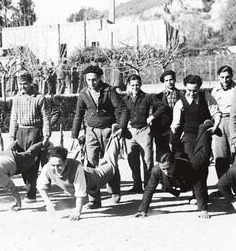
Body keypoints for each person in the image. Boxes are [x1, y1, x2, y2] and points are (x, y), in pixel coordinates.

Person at [71, 65, 129, 208]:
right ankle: (94, 200)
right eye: (88, 80)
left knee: (110, 161)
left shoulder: (109, 90)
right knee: (90, 164)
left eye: (94, 80)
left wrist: (121, 127)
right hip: (91, 131)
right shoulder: (83, 93)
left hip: (109, 130)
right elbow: (78, 114)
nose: (91, 83)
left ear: (100, 79)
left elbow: (123, 109)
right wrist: (74, 135)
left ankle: (115, 190)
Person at [37, 125, 121, 221]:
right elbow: (40, 187)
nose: (56, 168)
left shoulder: (77, 168)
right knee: (104, 162)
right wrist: (49, 204)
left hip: (94, 177)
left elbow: (80, 193)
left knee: (110, 163)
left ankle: (115, 136)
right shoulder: (48, 167)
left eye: (59, 165)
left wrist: (77, 213)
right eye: (53, 165)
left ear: (66, 162)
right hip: (78, 183)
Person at [135, 120, 215, 219]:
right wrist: (142, 210)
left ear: (173, 164)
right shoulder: (157, 170)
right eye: (163, 169)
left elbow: (199, 184)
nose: (166, 172)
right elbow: (149, 189)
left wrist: (203, 209)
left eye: (168, 168)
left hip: (190, 170)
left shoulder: (188, 167)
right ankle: (176, 135)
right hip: (177, 175)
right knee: (175, 144)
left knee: (203, 152)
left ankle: (206, 127)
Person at [9, 70, 51, 203]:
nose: (22, 87)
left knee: (33, 164)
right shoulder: (16, 98)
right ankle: (29, 189)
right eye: (20, 84)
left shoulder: (39, 98)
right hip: (20, 133)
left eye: (25, 84)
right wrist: (11, 137)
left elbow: (46, 118)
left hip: (35, 132)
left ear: (31, 83)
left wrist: (46, 135)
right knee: (22, 163)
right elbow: (13, 119)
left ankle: (31, 194)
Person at [122, 74, 167, 193]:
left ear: (140, 84)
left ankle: (148, 186)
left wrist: (152, 117)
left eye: (137, 85)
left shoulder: (147, 97)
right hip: (130, 132)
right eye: (132, 85)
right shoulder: (125, 100)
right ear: (128, 86)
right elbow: (120, 112)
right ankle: (136, 185)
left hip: (144, 131)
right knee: (132, 160)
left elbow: (162, 106)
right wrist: (123, 125)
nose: (135, 87)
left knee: (147, 160)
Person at [171, 74, 221, 159]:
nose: (191, 93)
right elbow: (175, 124)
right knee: (191, 162)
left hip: (204, 135)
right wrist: (174, 139)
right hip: (189, 137)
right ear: (185, 87)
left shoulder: (206, 97)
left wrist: (215, 126)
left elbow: (216, 113)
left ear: (199, 88)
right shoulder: (180, 103)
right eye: (189, 90)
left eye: (195, 91)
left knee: (204, 162)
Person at [210, 66, 236, 190]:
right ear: (218, 77)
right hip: (219, 122)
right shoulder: (215, 91)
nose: (225, 80)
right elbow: (212, 109)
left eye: (227, 77)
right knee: (220, 156)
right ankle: (223, 186)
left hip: (234, 121)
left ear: (232, 76)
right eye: (222, 77)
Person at [151, 70, 183, 161]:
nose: (169, 82)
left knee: (178, 155)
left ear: (175, 80)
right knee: (163, 157)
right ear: (164, 82)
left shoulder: (182, 95)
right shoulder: (158, 97)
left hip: (178, 128)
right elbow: (155, 115)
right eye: (166, 80)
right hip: (162, 129)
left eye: (171, 79)